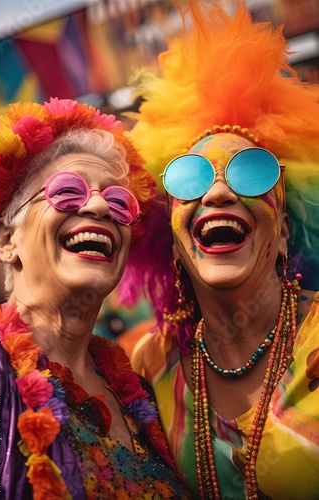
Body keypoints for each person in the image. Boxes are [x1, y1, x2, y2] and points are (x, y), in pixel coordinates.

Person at [119, 1, 319, 499]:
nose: (218, 194)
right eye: (191, 178)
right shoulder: (150, 364)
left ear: (286, 230)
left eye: (251, 172)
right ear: (173, 237)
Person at [0, 97, 192, 499]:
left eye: (119, 201)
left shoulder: (138, 389)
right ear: (8, 240)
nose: (99, 205)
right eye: (66, 191)